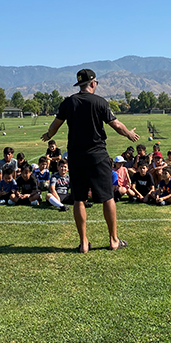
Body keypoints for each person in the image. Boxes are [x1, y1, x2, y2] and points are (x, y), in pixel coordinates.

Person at [41, 69, 139, 253]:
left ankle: (84, 243)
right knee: (107, 197)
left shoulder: (69, 102)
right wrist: (129, 134)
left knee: (79, 198)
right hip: (98, 155)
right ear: (93, 83)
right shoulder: (100, 102)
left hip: (76, 157)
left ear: (79, 85)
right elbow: (116, 124)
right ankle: (113, 240)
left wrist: (48, 135)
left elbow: (55, 126)